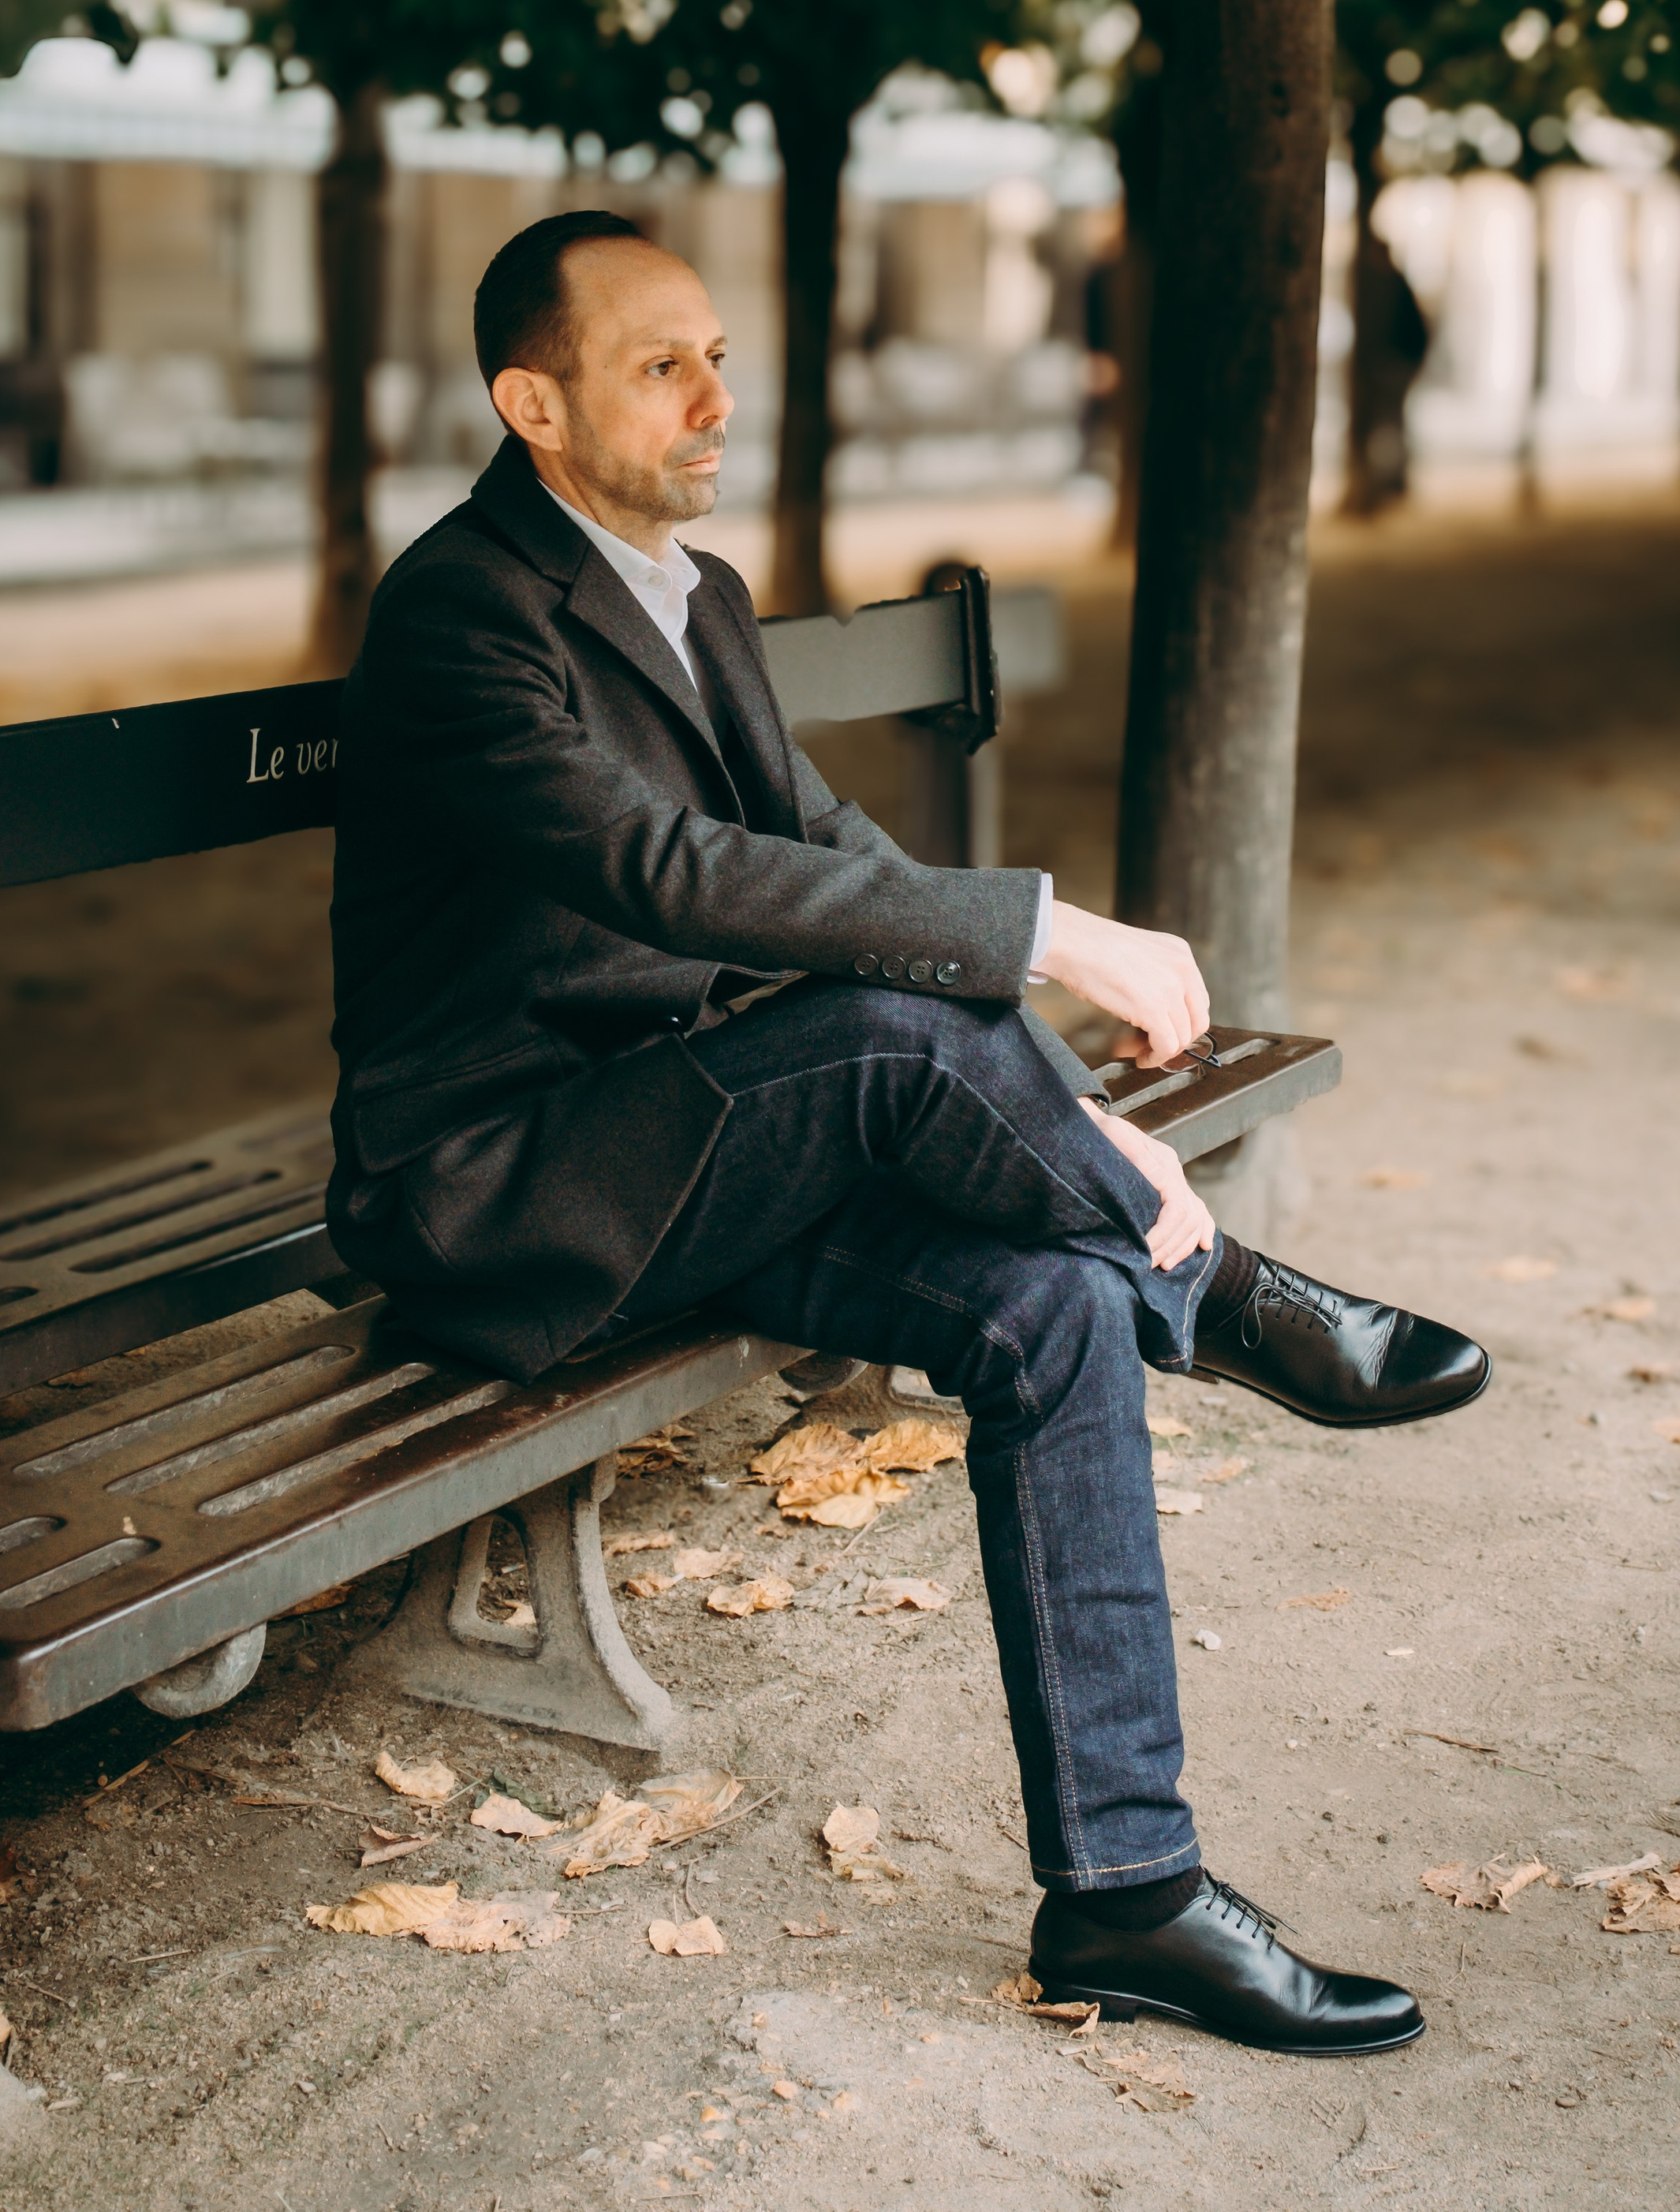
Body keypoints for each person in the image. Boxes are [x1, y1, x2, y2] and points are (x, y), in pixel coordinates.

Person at [328, 212, 1489, 2057]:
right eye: (659, 366)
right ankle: (1225, 1291)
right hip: (504, 1196)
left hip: (680, 1159)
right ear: (527, 402)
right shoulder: (462, 612)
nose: (718, 397)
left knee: (1057, 1303)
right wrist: (1050, 939)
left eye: (717, 352)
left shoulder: (692, 595)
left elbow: (835, 848)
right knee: (883, 1034)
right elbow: (674, 874)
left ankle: (1126, 1896)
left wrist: (1069, 1083)